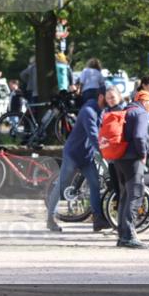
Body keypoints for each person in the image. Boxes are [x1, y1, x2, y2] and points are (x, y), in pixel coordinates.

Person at [46, 89, 107, 233]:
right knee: (62, 185)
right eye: (108, 98)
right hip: (73, 154)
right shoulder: (88, 111)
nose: (110, 102)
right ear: (100, 97)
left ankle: (97, 219)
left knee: (94, 183)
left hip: (86, 156)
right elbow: (93, 134)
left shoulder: (102, 110)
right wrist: (104, 152)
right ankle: (50, 219)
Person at [102, 86, 149, 248]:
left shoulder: (126, 111)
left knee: (124, 195)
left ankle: (122, 234)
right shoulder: (141, 112)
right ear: (145, 101)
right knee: (135, 195)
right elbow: (139, 136)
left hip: (119, 158)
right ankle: (129, 235)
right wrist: (143, 154)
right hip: (133, 159)